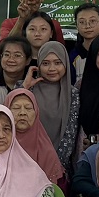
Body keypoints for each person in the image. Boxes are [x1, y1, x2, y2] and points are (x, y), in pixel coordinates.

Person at [27, 40, 76, 169]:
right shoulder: (27, 89)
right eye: (46, 63)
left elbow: (70, 134)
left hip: (59, 165)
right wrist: (24, 88)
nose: (52, 69)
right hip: (27, 162)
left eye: (58, 63)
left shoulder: (72, 93)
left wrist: (55, 164)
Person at [6, 86, 66, 183]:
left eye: (28, 108)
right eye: (16, 108)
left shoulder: (46, 151)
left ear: (36, 112)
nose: (22, 113)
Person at [70, 2, 99, 77]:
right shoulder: (73, 56)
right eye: (82, 22)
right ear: (76, 26)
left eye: (92, 21)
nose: (87, 26)